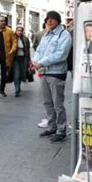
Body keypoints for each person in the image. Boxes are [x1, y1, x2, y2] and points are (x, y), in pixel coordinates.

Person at [33, 11, 72, 143]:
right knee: (47, 102)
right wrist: (36, 61)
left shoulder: (64, 34)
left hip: (56, 73)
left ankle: (61, 131)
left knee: (57, 104)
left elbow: (61, 54)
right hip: (44, 72)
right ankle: (52, 126)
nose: (49, 21)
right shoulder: (46, 34)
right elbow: (38, 50)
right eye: (48, 19)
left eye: (52, 19)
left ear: (58, 20)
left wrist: (41, 62)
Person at [0, 16, 17, 97]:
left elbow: (15, 41)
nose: (3, 22)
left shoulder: (10, 31)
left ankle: (2, 90)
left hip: (5, 55)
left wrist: (13, 49)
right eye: (1, 21)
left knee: (4, 73)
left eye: (4, 21)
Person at [13, 26, 30, 97]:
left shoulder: (25, 39)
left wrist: (29, 60)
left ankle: (18, 87)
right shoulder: (13, 38)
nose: (19, 32)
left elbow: (28, 49)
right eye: (18, 30)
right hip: (15, 59)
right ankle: (17, 89)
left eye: (21, 30)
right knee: (16, 74)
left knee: (21, 74)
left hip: (23, 58)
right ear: (16, 31)